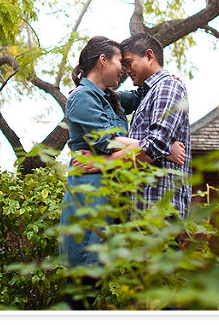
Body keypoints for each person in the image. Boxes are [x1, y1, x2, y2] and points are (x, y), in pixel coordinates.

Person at [59, 36, 185, 309]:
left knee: (101, 277)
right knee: (83, 279)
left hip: (113, 194)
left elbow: (145, 92)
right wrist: (163, 148)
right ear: (103, 60)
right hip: (91, 195)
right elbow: (112, 140)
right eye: (121, 62)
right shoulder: (82, 97)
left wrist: (167, 77)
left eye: (128, 64)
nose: (124, 70)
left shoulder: (110, 98)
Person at [118, 33, 192, 224]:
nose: (126, 70)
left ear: (149, 56)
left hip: (157, 212)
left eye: (128, 63)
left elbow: (154, 147)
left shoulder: (167, 87)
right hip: (142, 211)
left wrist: (99, 164)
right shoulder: (147, 93)